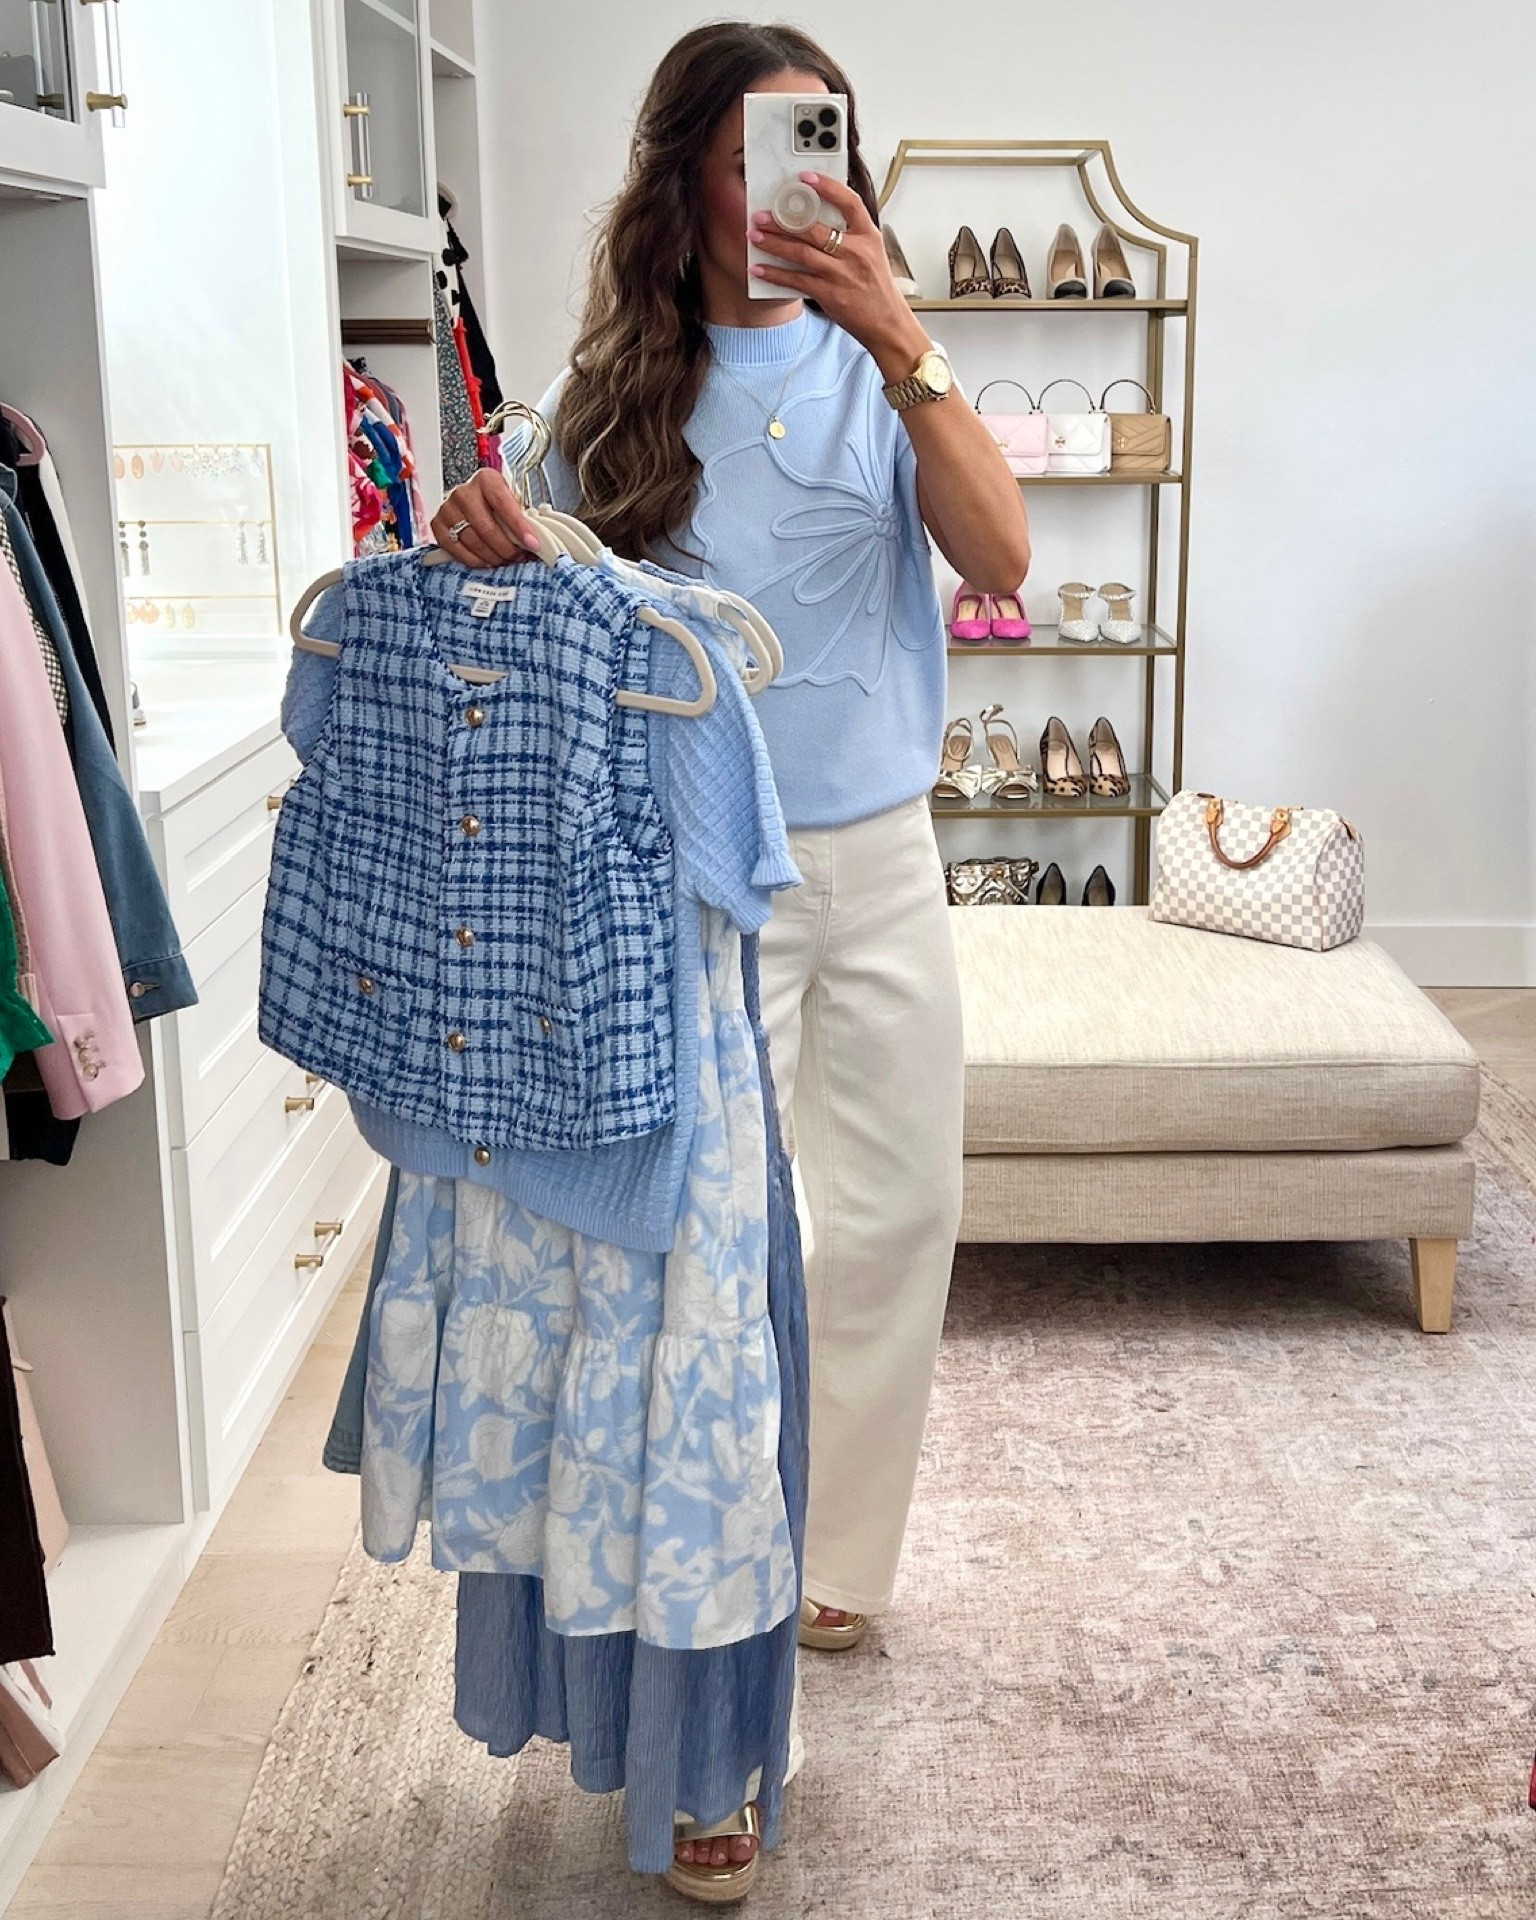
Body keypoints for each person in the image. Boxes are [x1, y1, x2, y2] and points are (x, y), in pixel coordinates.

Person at [430, 20, 1031, 1891]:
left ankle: (831, 1560)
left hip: (886, 859)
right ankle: (717, 1708)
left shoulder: (887, 366)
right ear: (686, 172)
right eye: (758, 148)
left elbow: (1003, 558)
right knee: (714, 1288)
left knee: (901, 1214)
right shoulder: (604, 396)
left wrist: (902, 337)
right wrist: (479, 537)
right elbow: (516, 604)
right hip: (696, 892)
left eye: (822, 145)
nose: (793, 186)